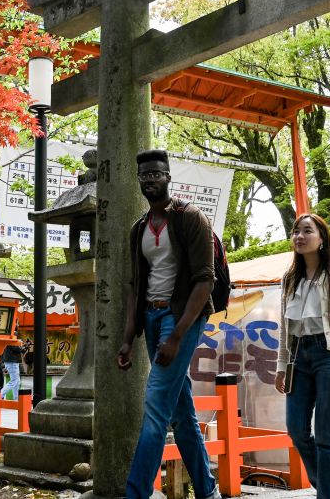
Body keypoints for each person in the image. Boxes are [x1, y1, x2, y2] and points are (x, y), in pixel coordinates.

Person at [117, 149, 221, 499]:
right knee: (181, 414)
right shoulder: (139, 228)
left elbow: (205, 280)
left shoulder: (190, 217)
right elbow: (135, 287)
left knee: (155, 410)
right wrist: (128, 338)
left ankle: (136, 493)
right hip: (151, 315)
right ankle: (208, 491)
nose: (150, 180)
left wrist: (177, 335)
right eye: (144, 175)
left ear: (168, 176)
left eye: (156, 174)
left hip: (181, 318)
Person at [274, 213, 330, 499]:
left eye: (307, 231)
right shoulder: (289, 278)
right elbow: (285, 327)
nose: (299, 236)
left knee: (325, 431)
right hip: (298, 356)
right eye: (296, 231)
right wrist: (281, 366)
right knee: (296, 429)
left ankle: (327, 494)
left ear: (322, 238)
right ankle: (326, 484)